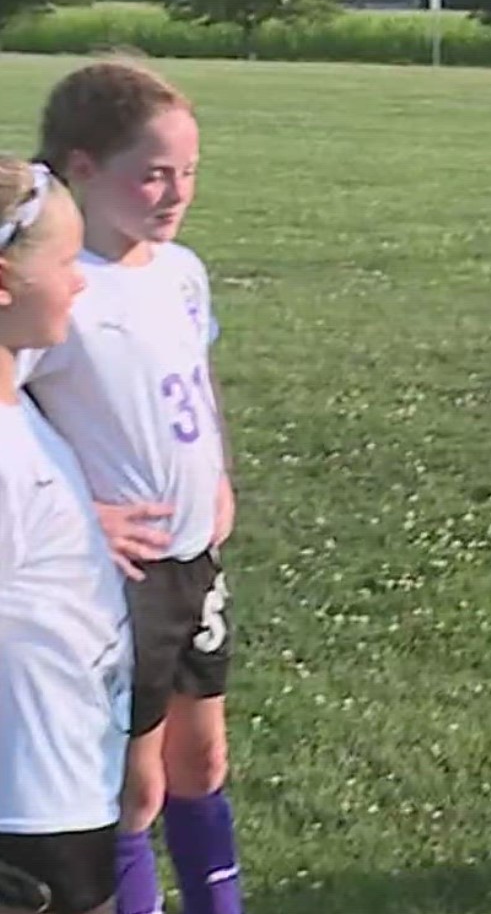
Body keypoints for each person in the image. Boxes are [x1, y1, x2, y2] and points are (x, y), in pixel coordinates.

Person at [20, 61, 244, 914]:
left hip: (196, 559)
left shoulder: (180, 269)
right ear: (80, 168)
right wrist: (83, 518)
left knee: (205, 762)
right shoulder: (63, 288)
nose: (175, 191)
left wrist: (216, 472)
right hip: (124, 581)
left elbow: (195, 376)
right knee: (135, 791)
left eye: (187, 171)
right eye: (151, 172)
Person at [0, 156, 132, 914]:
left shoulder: (19, 393)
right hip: (28, 812)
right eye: (64, 264)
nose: (81, 281)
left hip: (66, 785)